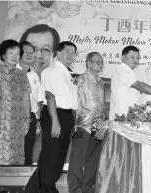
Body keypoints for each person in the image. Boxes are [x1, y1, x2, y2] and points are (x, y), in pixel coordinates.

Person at [26, 41, 79, 193]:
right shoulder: (52, 71)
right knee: (51, 153)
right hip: (54, 115)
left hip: (66, 116)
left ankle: (49, 185)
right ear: (58, 53)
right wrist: (55, 121)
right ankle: (43, 187)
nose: (71, 55)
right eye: (68, 51)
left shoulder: (66, 72)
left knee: (60, 154)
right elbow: (49, 96)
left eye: (73, 53)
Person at [0, 39, 30, 165]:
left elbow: (26, 98)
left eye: (18, 53)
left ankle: (10, 185)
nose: (15, 56)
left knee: (16, 160)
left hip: (18, 125)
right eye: (11, 53)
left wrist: (27, 119)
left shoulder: (22, 75)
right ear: (3, 55)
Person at [68, 52, 106, 193]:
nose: (100, 64)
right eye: (97, 61)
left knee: (93, 160)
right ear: (88, 63)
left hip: (99, 125)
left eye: (102, 62)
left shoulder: (101, 82)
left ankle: (87, 188)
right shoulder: (79, 79)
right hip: (83, 124)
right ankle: (75, 188)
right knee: (78, 160)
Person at [109, 46, 151, 120]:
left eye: (137, 58)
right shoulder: (123, 70)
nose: (135, 60)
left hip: (129, 115)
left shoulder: (131, 72)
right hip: (121, 114)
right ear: (123, 58)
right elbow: (139, 85)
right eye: (132, 57)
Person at [17, 41, 44, 165]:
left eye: (31, 52)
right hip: (14, 116)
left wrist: (37, 119)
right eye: (26, 52)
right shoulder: (11, 72)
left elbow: (38, 100)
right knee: (13, 150)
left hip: (31, 118)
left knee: (28, 151)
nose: (29, 55)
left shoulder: (34, 75)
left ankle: (25, 183)